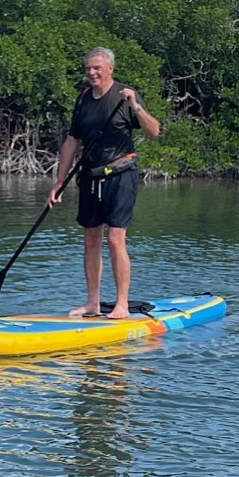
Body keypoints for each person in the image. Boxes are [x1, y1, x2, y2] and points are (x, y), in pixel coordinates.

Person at [47, 47, 160, 319]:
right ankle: (92, 303)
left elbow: (155, 131)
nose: (92, 72)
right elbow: (72, 141)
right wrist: (59, 181)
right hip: (90, 177)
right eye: (88, 68)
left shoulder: (124, 97)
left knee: (115, 239)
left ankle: (121, 304)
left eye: (97, 67)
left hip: (120, 176)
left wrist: (136, 106)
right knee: (90, 240)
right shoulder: (84, 99)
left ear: (110, 68)